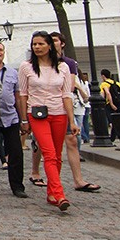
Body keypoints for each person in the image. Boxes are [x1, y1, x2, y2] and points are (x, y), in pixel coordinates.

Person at [17, 32, 75, 212]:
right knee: (49, 153)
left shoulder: (63, 67)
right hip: (37, 113)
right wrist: (24, 119)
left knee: (57, 155)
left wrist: (72, 121)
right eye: (34, 44)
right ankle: (59, 194)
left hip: (59, 113)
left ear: (50, 46)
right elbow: (23, 94)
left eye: (41, 43)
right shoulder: (26, 67)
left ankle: (51, 192)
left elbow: (66, 95)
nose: (37, 47)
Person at [47, 33, 100, 193]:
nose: (52, 43)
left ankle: (78, 179)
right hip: (45, 108)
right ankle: (36, 173)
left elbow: (69, 87)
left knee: (71, 141)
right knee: (43, 147)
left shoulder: (69, 63)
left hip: (64, 106)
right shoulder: (40, 62)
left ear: (62, 44)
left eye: (55, 40)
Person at [0, 40, 28, 198]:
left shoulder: (12, 72)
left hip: (10, 117)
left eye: (0, 49)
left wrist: (23, 119)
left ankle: (17, 186)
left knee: (16, 153)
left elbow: (18, 96)